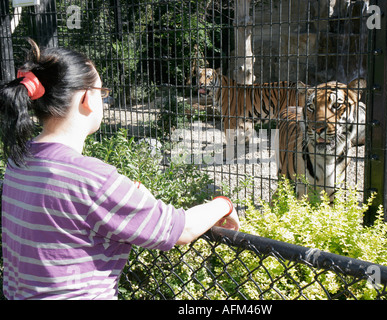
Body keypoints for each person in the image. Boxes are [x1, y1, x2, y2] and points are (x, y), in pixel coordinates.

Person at [0, 39, 239, 300]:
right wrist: (223, 204)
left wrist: (127, 200)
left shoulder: (18, 161)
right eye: (102, 92)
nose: (103, 99)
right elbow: (181, 229)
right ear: (86, 98)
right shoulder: (92, 178)